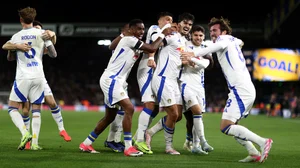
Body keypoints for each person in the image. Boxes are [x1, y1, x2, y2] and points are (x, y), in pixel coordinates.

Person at [180, 17, 273, 163]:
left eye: (215, 30)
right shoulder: (232, 40)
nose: (213, 33)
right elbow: (238, 42)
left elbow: (214, 47)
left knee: (226, 126)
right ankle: (253, 152)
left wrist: (193, 54)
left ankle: (263, 142)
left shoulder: (223, 40)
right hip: (242, 88)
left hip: (240, 89)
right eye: (210, 31)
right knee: (232, 124)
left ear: (223, 31)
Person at [79, 19, 172, 157]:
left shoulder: (132, 42)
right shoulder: (129, 39)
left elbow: (115, 46)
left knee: (109, 117)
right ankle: (128, 147)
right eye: (139, 29)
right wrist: (162, 33)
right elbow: (152, 48)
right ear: (131, 30)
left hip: (117, 81)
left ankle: (86, 143)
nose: (141, 32)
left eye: (143, 29)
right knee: (129, 108)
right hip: (112, 80)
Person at [3, 20, 71, 150]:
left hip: (35, 77)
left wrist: (52, 36)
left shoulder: (39, 37)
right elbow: (10, 55)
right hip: (34, 77)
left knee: (50, 103)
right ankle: (29, 140)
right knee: (27, 108)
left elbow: (50, 50)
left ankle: (36, 138)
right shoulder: (31, 39)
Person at [145, 12, 195, 154]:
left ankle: (149, 132)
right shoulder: (171, 36)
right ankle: (168, 147)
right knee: (173, 113)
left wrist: (188, 62)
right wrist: (151, 57)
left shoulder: (183, 41)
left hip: (174, 82)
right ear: (178, 24)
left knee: (178, 115)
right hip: (163, 78)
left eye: (190, 25)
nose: (187, 26)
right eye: (185, 23)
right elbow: (155, 45)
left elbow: (179, 59)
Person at [133, 11, 173, 155]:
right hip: (147, 70)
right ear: (160, 20)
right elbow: (155, 44)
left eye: (171, 20)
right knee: (149, 105)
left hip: (155, 72)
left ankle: (137, 136)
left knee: (155, 109)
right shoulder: (155, 29)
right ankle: (139, 140)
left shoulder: (167, 33)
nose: (170, 22)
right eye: (167, 19)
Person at [180, 25, 214, 154]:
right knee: (196, 113)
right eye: (196, 35)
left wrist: (193, 59)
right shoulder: (185, 44)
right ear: (192, 35)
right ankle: (203, 141)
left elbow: (208, 64)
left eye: (200, 35)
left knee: (198, 117)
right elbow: (182, 59)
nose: (198, 38)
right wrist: (189, 61)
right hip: (186, 83)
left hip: (200, 86)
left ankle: (195, 145)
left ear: (204, 37)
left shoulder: (206, 48)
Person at [103, 23, 129, 153]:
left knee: (121, 113)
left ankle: (115, 140)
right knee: (112, 114)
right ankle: (110, 140)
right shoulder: (121, 42)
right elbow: (110, 46)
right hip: (112, 81)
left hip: (121, 81)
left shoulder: (130, 41)